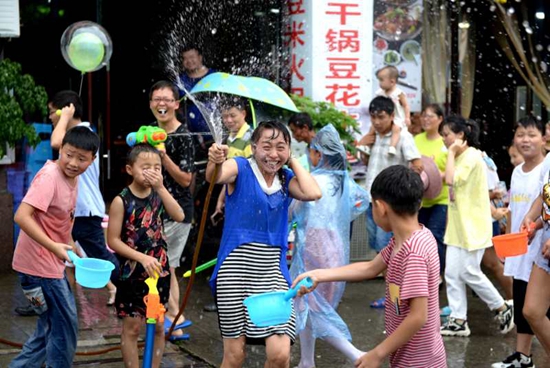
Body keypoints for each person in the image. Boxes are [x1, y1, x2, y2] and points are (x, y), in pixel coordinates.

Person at [293, 165, 446, 368]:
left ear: (381, 207)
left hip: (420, 361)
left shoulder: (414, 252)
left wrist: (377, 353)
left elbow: (418, 316)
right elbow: (370, 268)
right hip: (408, 355)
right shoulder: (405, 239)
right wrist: (319, 274)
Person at [206, 121, 322, 368]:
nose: (273, 154)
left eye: (281, 147)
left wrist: (291, 161)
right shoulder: (240, 167)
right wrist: (215, 160)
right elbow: (214, 177)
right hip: (234, 272)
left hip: (271, 272)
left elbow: (313, 193)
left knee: (280, 355)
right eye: (266, 146)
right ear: (253, 147)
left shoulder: (286, 178)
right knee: (235, 356)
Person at [10, 126, 99, 368]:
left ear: (92, 160)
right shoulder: (50, 177)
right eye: (69, 154)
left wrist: (70, 244)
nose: (72, 162)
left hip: (48, 263)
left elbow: (60, 218)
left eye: (81, 158)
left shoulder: (74, 177)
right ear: (61, 149)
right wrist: (54, 246)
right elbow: (22, 216)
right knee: (64, 325)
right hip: (38, 267)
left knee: (50, 325)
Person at [289, 124, 369, 367]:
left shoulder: (313, 181)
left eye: (312, 151)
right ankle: (306, 360)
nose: (311, 155)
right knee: (308, 305)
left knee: (310, 305)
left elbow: (294, 210)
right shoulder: (343, 181)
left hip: (314, 245)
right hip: (335, 246)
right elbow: (363, 200)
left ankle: (355, 354)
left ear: (319, 154)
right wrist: (340, 217)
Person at [107, 143, 185, 368]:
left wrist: (161, 188)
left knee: (159, 325)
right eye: (146, 167)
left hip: (158, 272)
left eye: (157, 167)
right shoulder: (121, 201)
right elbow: (112, 240)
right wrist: (141, 258)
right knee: (132, 327)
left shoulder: (159, 196)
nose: (152, 171)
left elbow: (179, 215)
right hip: (132, 274)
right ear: (130, 169)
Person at [439, 115, 514, 337]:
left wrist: (451, 153)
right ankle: (458, 319)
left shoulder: (471, 157)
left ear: (461, 135)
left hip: (473, 226)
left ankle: (501, 307)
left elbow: (451, 180)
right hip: (458, 226)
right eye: (443, 135)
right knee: (452, 273)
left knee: (470, 271)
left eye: (447, 135)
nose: (444, 139)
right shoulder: (463, 157)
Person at [49, 90, 118, 306]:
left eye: (52, 112)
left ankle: (129, 289)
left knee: (101, 257)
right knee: (67, 254)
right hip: (76, 210)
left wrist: (65, 118)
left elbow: (55, 142)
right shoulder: (79, 133)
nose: (50, 117)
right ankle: (60, 299)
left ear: (66, 110)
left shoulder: (81, 134)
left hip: (85, 211)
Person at [359, 96, 423, 309]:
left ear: (391, 116)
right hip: (372, 200)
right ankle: (392, 295)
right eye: (373, 117)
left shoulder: (403, 137)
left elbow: (417, 165)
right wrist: (364, 147)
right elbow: (370, 164)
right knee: (381, 249)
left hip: (392, 205)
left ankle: (397, 298)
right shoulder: (374, 137)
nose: (377, 121)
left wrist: (405, 193)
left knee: (392, 249)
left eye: (381, 117)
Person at [492, 116, 545, 368]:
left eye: (531, 134)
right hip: (520, 245)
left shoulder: (545, 167)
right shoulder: (516, 171)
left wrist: (535, 225)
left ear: (543, 139)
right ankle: (523, 356)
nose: (525, 140)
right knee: (525, 303)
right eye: (521, 134)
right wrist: (507, 238)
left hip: (539, 247)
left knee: (534, 309)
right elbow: (519, 209)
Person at [149, 80, 195, 339]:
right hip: (153, 210)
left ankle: (175, 319)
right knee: (164, 265)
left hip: (177, 211)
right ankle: (171, 319)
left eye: (167, 99)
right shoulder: (150, 132)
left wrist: (163, 155)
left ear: (176, 104)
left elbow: (186, 180)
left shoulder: (184, 137)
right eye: (157, 99)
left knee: (168, 265)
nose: (162, 104)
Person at [204, 97, 253, 313]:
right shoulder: (230, 139)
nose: (228, 120)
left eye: (232, 115)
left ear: (244, 113)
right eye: (224, 116)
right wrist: (220, 201)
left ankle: (237, 302)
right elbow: (227, 176)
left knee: (240, 253)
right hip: (233, 203)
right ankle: (229, 300)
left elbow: (250, 174)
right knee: (231, 252)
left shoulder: (252, 138)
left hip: (247, 205)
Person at [414, 104, 448, 278]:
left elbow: (452, 169)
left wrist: (434, 174)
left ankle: (437, 274)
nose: (426, 119)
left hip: (441, 199)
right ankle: (422, 274)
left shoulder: (445, 142)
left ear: (440, 119)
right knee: (419, 238)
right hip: (420, 199)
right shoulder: (416, 139)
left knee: (435, 236)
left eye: (430, 116)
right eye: (424, 116)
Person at [358, 66, 411, 156]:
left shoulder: (398, 93)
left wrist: (407, 117)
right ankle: (367, 147)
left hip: (396, 118)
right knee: (373, 128)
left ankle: (392, 147)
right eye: (379, 80)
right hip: (383, 119)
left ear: (392, 82)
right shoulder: (380, 93)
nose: (379, 83)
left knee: (396, 128)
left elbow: (406, 105)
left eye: (382, 80)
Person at [177, 45, 216, 135]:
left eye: (192, 57)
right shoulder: (180, 81)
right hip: (191, 133)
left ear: (200, 57)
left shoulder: (214, 76)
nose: (189, 61)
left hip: (214, 131)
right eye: (185, 58)